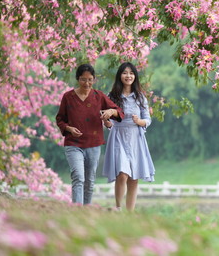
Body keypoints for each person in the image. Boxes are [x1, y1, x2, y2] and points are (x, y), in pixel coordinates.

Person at [55, 63, 123, 205]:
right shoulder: (68, 97)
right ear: (77, 79)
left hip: (93, 144)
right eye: (83, 79)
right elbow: (60, 119)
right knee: (78, 177)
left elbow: (119, 112)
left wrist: (110, 112)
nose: (87, 83)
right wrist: (69, 129)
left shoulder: (99, 96)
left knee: (90, 180)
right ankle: (78, 209)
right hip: (73, 144)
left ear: (94, 79)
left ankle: (87, 209)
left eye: (90, 79)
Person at [102, 62, 155, 211]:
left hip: (136, 138)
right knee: (122, 173)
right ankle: (118, 208)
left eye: (131, 73)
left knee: (134, 178)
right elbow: (109, 122)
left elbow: (148, 119)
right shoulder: (112, 96)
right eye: (125, 73)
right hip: (118, 135)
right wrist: (106, 123)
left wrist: (139, 121)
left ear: (135, 76)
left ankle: (130, 213)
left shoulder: (140, 97)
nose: (128, 76)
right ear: (120, 75)